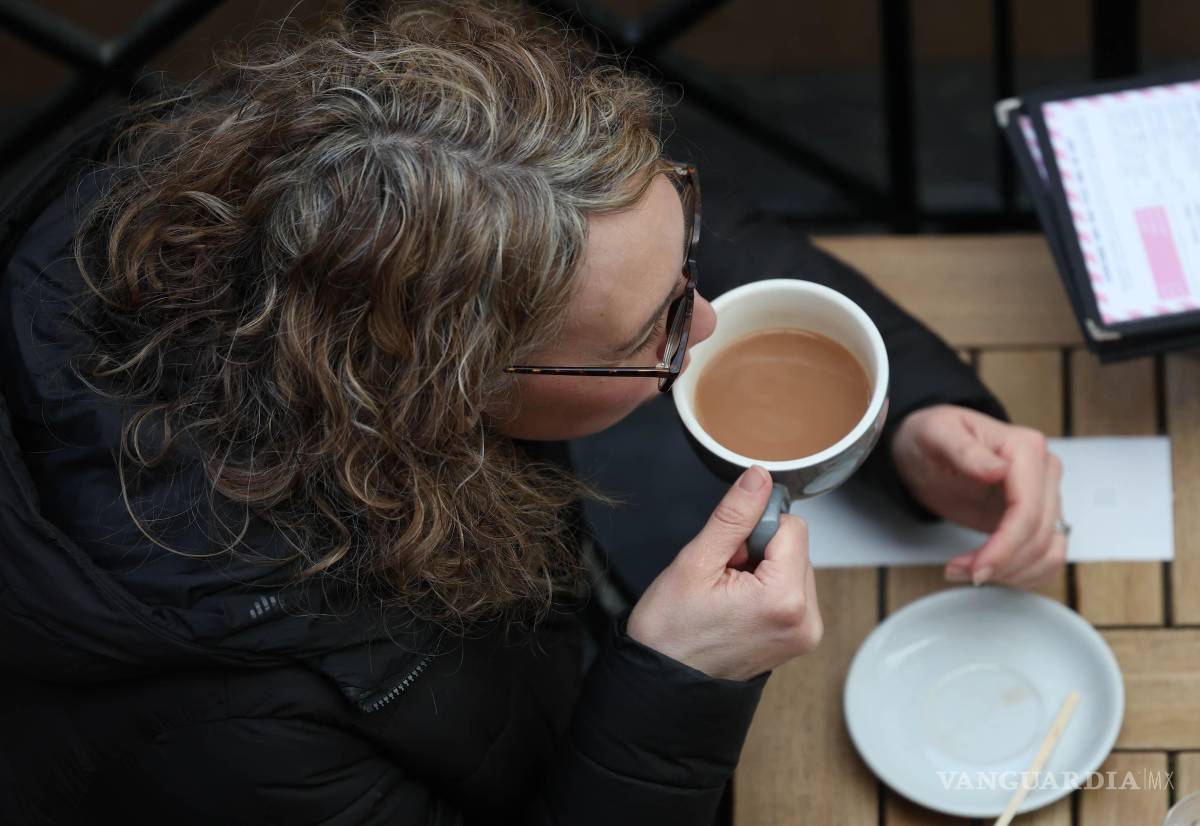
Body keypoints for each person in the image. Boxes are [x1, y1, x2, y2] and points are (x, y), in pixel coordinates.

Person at [0, 1, 1066, 823]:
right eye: (650, 336)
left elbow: (624, 244)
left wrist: (909, 410)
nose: (705, 327)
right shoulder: (227, 732)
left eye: (680, 251)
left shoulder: (304, 178)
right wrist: (672, 694)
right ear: (447, 384)